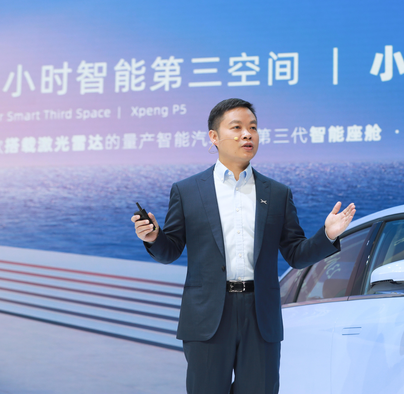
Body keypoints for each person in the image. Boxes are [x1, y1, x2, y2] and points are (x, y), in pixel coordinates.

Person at [132, 98, 356, 394]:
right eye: (236, 128)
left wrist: (327, 235)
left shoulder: (277, 193)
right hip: (208, 316)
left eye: (253, 128)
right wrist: (153, 237)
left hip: (260, 316)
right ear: (214, 137)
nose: (247, 134)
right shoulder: (187, 191)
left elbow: (296, 253)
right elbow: (170, 249)